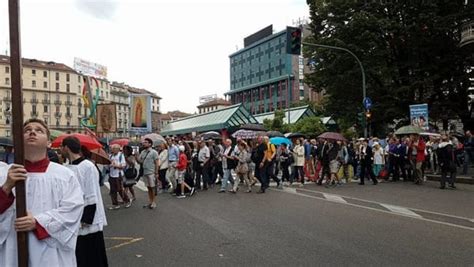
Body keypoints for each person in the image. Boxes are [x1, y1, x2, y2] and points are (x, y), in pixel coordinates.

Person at [0, 118, 84, 266]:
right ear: (18, 140)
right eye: (26, 130)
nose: (32, 132)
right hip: (11, 249)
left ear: (48, 142)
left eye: (39, 130)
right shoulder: (4, 173)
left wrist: (37, 222)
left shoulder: (64, 175)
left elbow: (73, 210)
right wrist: (7, 186)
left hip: (49, 251)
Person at [60, 136, 108, 267]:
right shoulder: (67, 167)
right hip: (75, 216)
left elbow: (91, 193)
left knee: (92, 255)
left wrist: (86, 219)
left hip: (87, 219)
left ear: (66, 148)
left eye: (61, 147)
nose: (59, 150)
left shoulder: (87, 166)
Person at [137, 138, 159, 209]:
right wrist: (136, 156)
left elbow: (156, 163)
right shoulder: (143, 152)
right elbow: (140, 162)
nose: (144, 143)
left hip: (151, 172)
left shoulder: (154, 152)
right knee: (148, 188)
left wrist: (156, 172)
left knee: (152, 188)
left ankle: (154, 202)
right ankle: (150, 201)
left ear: (150, 144)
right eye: (144, 142)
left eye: (146, 142)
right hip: (145, 172)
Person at [108, 144, 130, 209]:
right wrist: (109, 164)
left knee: (120, 189)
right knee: (113, 191)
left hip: (118, 175)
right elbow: (108, 165)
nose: (112, 150)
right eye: (111, 148)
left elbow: (123, 165)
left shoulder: (121, 155)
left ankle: (127, 201)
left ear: (117, 149)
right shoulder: (111, 156)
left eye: (113, 148)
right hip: (112, 175)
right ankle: (115, 204)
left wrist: (115, 165)